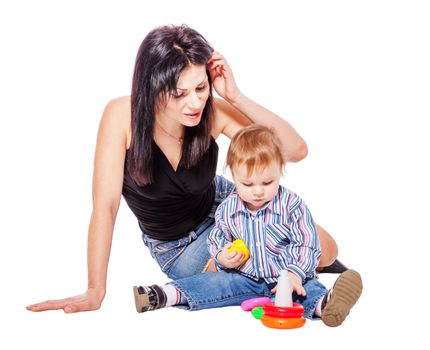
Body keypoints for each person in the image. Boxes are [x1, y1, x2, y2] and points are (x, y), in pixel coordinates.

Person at [27, 24, 342, 314]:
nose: (194, 103)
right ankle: (298, 278)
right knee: (255, 271)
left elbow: (294, 150)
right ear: (152, 87)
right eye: (179, 93)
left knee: (326, 250)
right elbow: (105, 207)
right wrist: (95, 290)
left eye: (200, 88)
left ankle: (297, 269)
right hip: (181, 245)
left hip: (229, 205)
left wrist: (234, 95)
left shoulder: (213, 111)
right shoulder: (121, 116)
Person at [133, 125, 362, 327]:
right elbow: (218, 239)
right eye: (247, 183)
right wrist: (223, 256)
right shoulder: (228, 208)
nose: (258, 191)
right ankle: (163, 294)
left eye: (267, 182)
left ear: (280, 170)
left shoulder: (292, 205)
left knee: (307, 290)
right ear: (233, 174)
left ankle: (328, 305)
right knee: (215, 284)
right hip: (244, 277)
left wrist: (294, 274)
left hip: (285, 278)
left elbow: (306, 244)